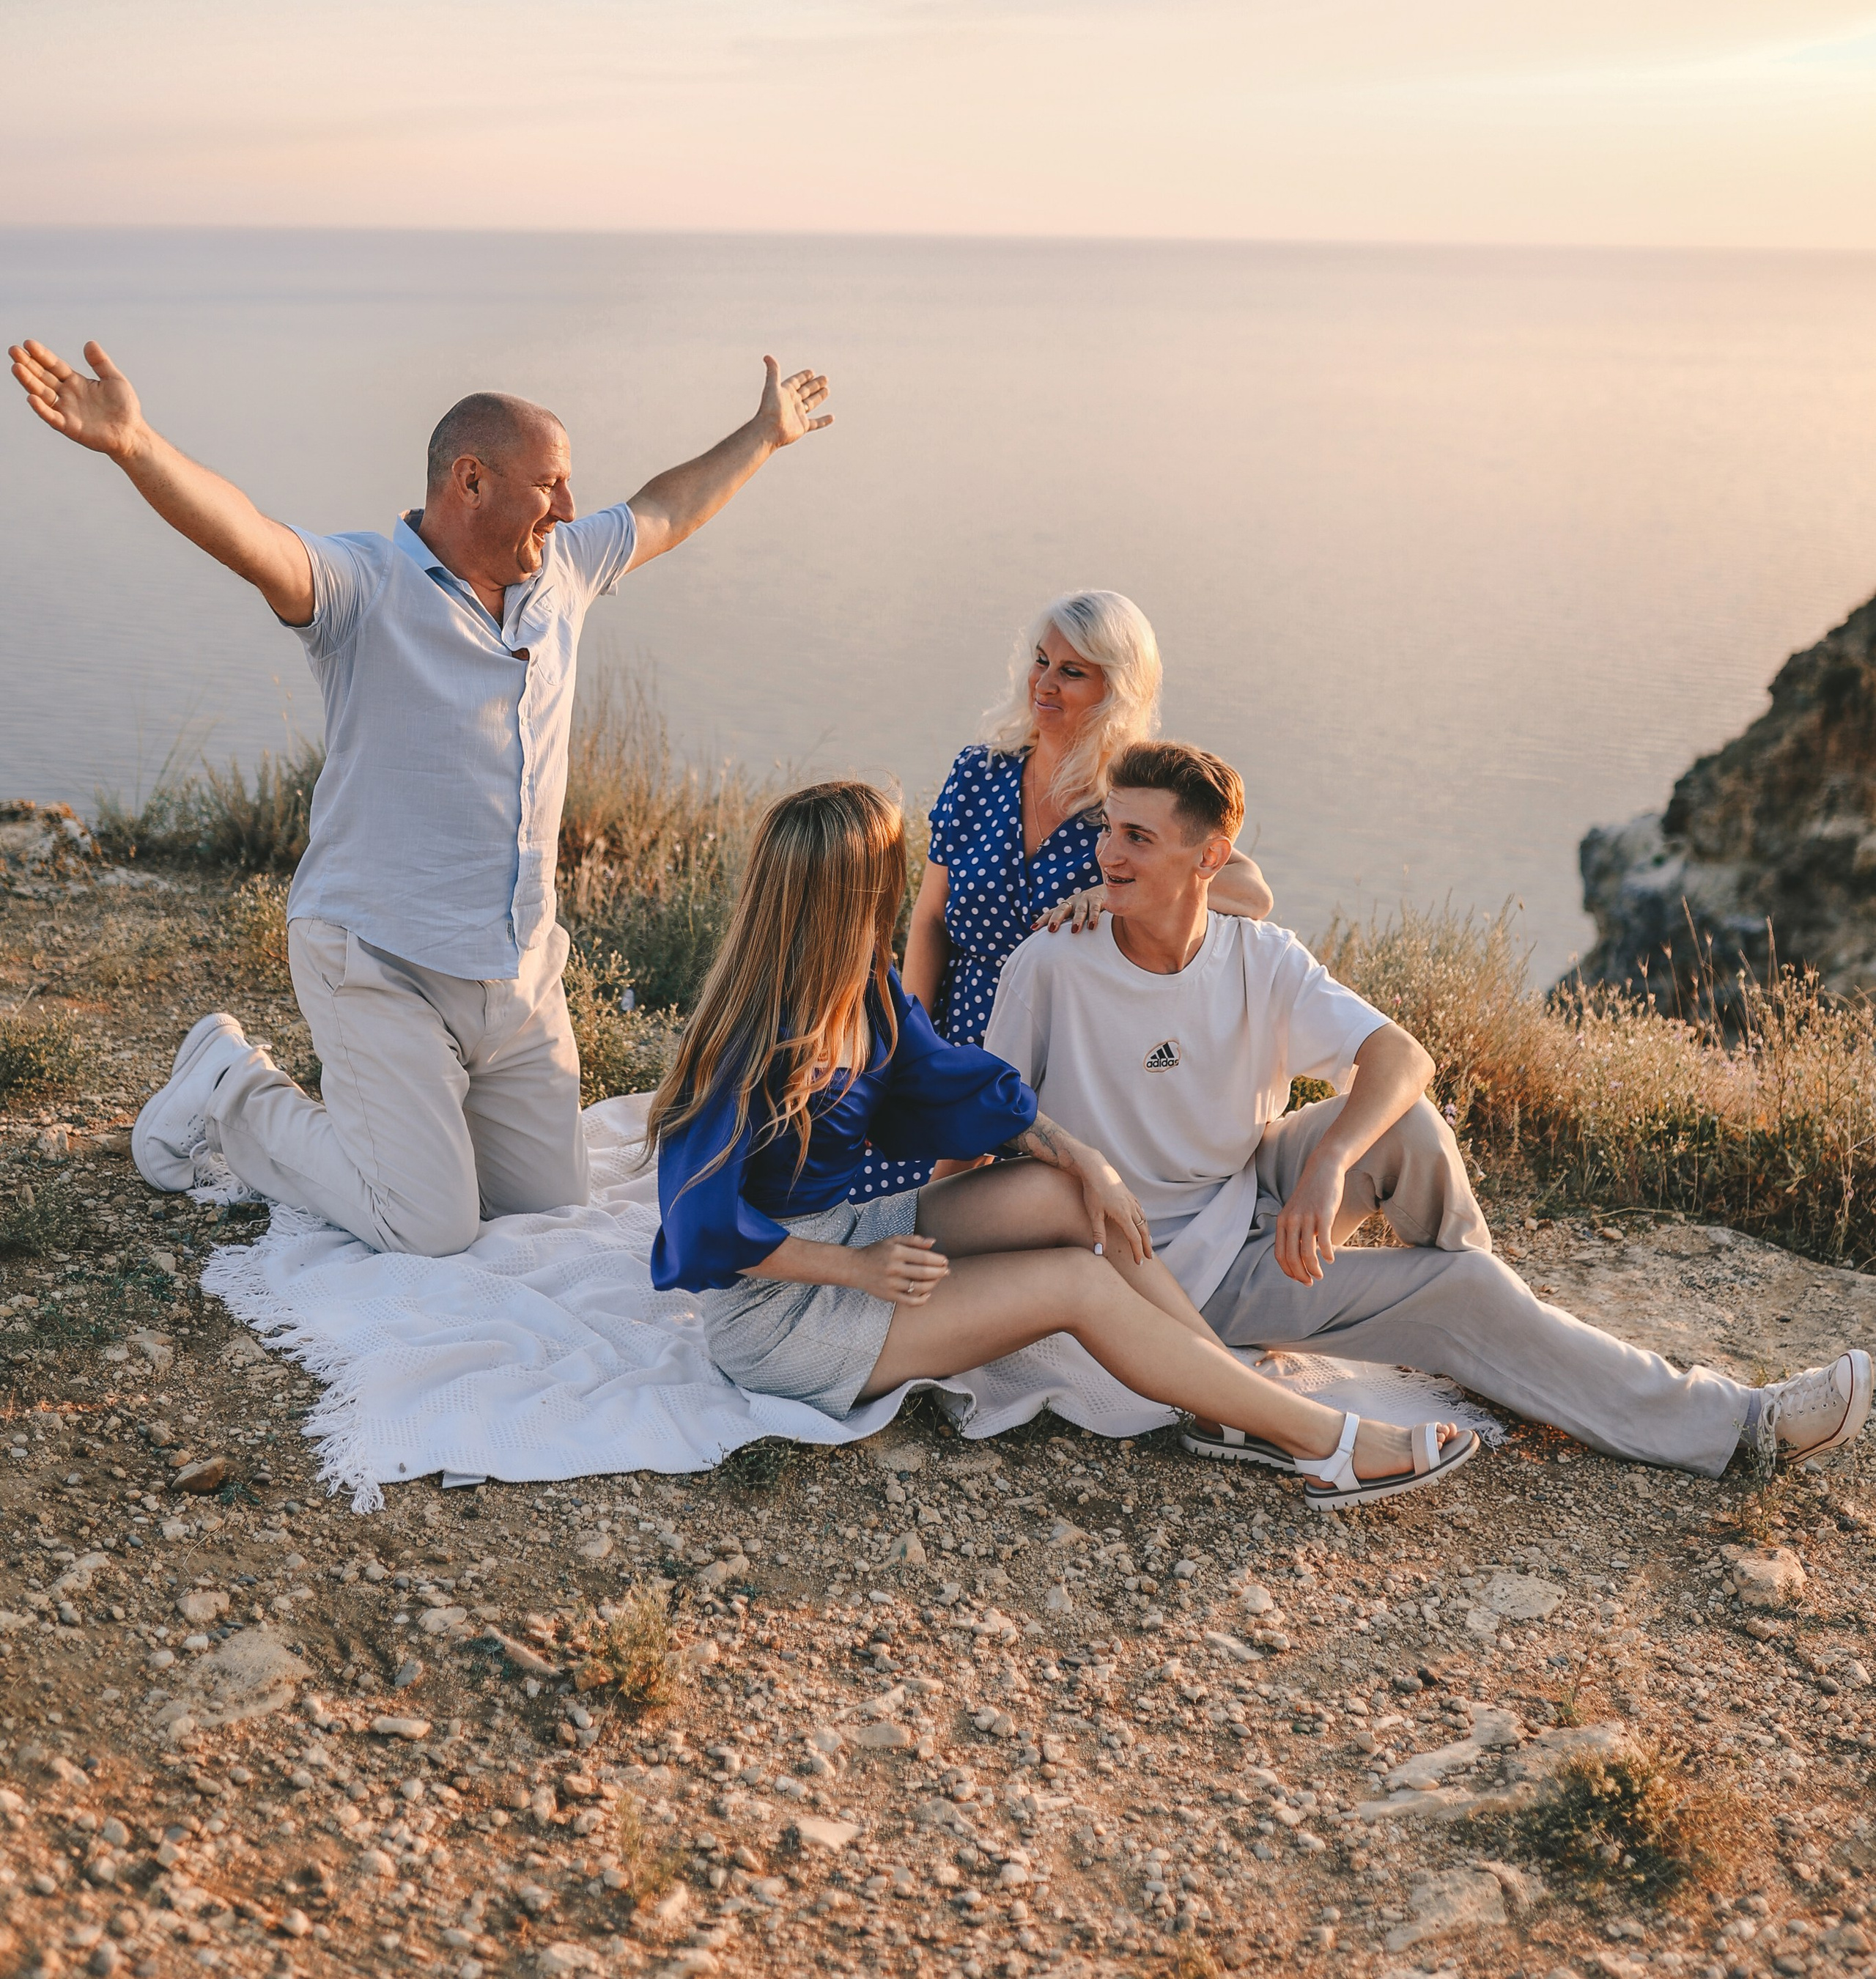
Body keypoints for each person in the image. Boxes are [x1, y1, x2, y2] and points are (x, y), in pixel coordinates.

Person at [8, 331, 832, 1257]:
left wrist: (764, 434)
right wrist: (135, 445)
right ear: (470, 481)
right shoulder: (365, 587)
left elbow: (664, 510)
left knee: (547, 1213)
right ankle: (231, 1088)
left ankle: (416, 1121)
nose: (567, 506)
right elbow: (247, 536)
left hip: (517, 979)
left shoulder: (558, 571)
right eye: (549, 484)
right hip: (379, 961)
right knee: (428, 1226)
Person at [982, 739, 1875, 1478]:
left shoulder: (1258, 956)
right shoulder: (1056, 963)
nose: (1107, 855)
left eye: (1137, 837)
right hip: (1175, 1271)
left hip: (1247, 1190)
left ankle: (1498, 1334)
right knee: (1461, 1291)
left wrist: (1326, 1167)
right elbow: (989, 1113)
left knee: (1405, 1123)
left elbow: (1403, 1055)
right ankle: (1737, 1427)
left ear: (1210, 857)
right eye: (1109, 831)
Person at [647, 778, 1478, 1509]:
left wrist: (1088, 1162)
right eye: (890, 873)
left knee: (1065, 1197)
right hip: (777, 1312)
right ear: (850, 895)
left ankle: (1228, 1390)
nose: (905, 886)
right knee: (1075, 1285)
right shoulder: (745, 1045)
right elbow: (702, 1233)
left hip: (852, 1233)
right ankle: (1325, 1444)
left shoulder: (867, 996)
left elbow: (967, 1087)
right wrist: (857, 1271)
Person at [902, 590, 1271, 1049]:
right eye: (1041, 661)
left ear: (1116, 690)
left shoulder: (1130, 803)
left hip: (1071, 1060)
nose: (1044, 684)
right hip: (953, 1044)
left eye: (1071, 672)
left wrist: (1107, 893)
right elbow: (930, 920)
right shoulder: (978, 774)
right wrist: (910, 1046)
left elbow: (1253, 893)